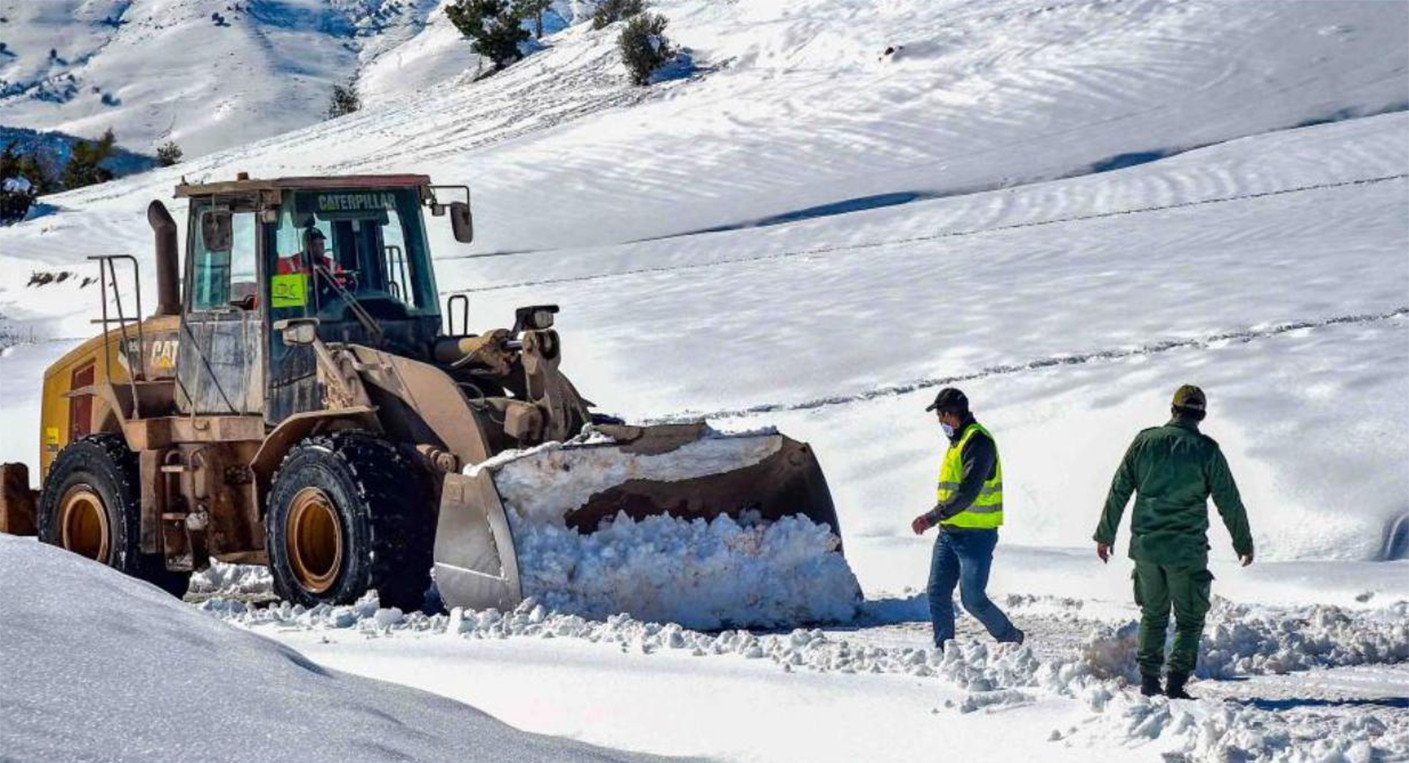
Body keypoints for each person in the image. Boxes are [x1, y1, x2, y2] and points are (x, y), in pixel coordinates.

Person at [1093, 384, 1254, 700]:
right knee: (1189, 618)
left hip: (1147, 548)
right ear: (1201, 415)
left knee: (1153, 614)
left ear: (1173, 410)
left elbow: (1119, 488)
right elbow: (1229, 501)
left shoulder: (1145, 441)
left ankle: (1149, 681)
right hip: (1186, 551)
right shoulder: (1207, 451)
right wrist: (1243, 541)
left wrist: (1105, 533)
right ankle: (1177, 683)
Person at [911, 387, 1024, 650]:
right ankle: (944, 649)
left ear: (952, 414)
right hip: (949, 533)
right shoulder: (956, 443)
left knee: (972, 598)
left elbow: (967, 492)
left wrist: (931, 517)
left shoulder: (978, 442)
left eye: (941, 415)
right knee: (937, 592)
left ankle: (1011, 638)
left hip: (976, 536)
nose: (939, 421)